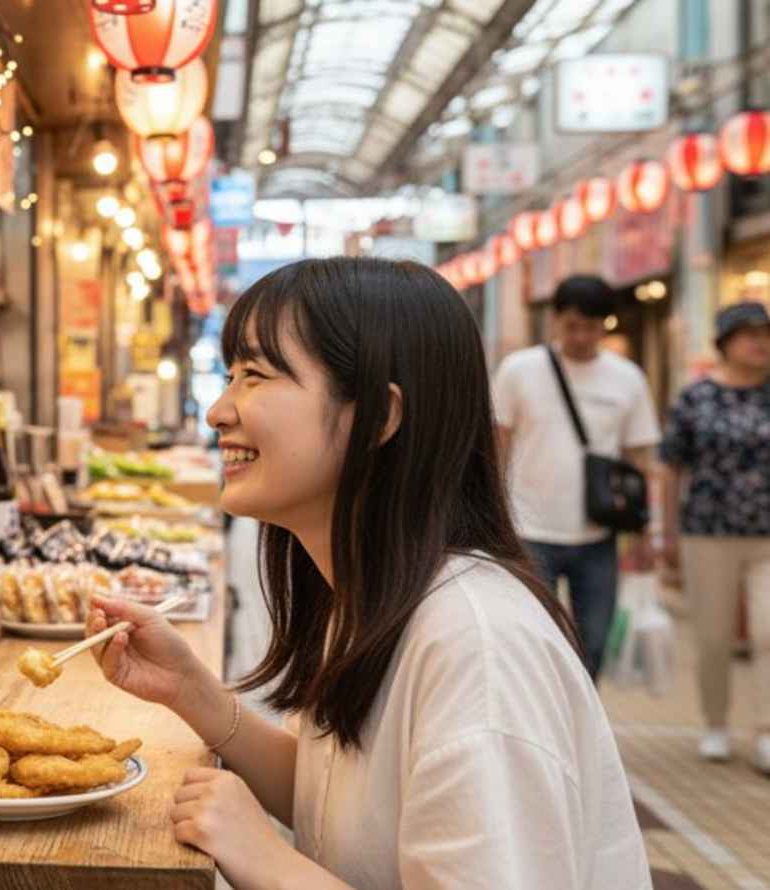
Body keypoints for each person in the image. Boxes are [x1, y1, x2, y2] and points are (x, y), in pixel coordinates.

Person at [85, 258, 649, 890]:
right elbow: (334, 799)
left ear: (379, 416)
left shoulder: (478, 646)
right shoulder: (372, 594)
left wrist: (267, 859)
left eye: (255, 376)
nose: (219, 411)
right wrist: (193, 692)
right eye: (229, 376)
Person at [492, 275, 661, 678]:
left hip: (599, 534)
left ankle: (582, 730)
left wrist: (643, 534)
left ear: (606, 324)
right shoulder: (519, 370)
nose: (581, 336)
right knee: (534, 641)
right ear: (555, 320)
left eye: (592, 327)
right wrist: (492, 517)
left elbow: (638, 459)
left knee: (595, 644)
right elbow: (497, 445)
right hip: (528, 531)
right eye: (572, 325)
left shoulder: (627, 378)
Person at [660, 300, 770, 770]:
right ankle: (716, 723)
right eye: (748, 334)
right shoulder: (695, 398)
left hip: (767, 534)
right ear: (725, 342)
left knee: (769, 632)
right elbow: (670, 468)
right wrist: (666, 534)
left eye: (765, 334)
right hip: (707, 531)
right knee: (712, 636)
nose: (760, 342)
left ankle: (766, 729)